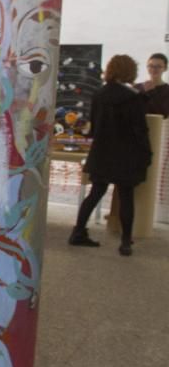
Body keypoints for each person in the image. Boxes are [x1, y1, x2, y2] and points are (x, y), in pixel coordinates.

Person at [70, 55, 152, 256]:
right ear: (130, 71)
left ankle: (78, 232)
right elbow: (140, 129)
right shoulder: (133, 97)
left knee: (95, 193)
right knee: (126, 197)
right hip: (127, 154)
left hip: (102, 152)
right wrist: (147, 153)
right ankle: (125, 242)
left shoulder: (98, 95)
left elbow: (94, 127)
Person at [134, 52, 169, 118]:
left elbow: (163, 114)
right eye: (151, 65)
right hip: (137, 127)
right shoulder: (137, 87)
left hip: (157, 127)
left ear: (165, 68)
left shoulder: (167, 90)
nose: (154, 69)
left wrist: (151, 92)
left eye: (158, 66)